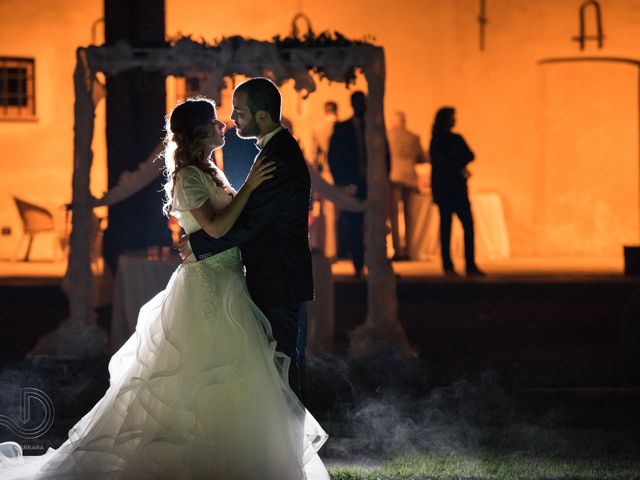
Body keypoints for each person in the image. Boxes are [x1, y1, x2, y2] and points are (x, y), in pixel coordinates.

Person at [0, 97, 329, 479]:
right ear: (199, 132)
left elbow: (230, 220)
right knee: (200, 372)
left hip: (228, 282)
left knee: (234, 376)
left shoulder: (209, 170)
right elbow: (219, 228)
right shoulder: (188, 176)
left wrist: (241, 199)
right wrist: (251, 187)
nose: (224, 125)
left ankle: (229, 456)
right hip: (207, 287)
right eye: (215, 122)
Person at [179, 78, 313, 398]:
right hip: (271, 274)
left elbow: (252, 223)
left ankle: (289, 443)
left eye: (239, 112)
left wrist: (198, 245)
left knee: (280, 363)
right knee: (271, 363)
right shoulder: (275, 150)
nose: (233, 118)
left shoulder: (277, 157)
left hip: (277, 276)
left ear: (262, 117)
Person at [429, 106, 484, 276]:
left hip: (449, 189)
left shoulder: (442, 140)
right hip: (452, 188)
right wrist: (456, 161)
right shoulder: (447, 140)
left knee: (450, 226)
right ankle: (463, 263)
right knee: (460, 225)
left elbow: (468, 155)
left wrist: (454, 159)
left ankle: (454, 263)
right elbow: (462, 157)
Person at [388, 111, 427, 260]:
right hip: (410, 178)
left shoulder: (387, 136)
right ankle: (409, 249)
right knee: (409, 215)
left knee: (394, 215)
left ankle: (397, 249)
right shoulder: (413, 137)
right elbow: (423, 158)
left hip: (393, 178)